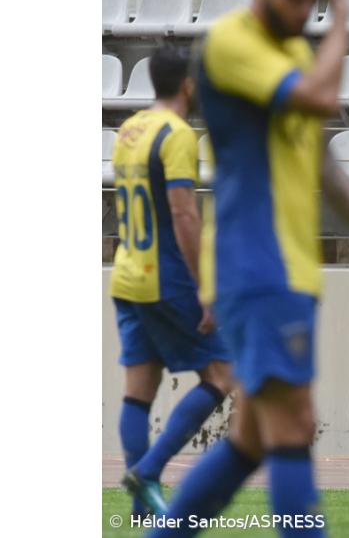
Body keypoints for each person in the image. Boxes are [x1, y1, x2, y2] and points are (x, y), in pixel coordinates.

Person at [150, 0, 349, 536]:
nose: (302, 11)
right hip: (255, 264)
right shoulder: (229, 44)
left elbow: (318, 156)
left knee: (249, 439)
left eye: (311, 0)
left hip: (288, 267)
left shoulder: (292, 51)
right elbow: (322, 97)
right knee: (293, 423)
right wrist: (344, 13)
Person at [113, 47, 234, 517]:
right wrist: (205, 287)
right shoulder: (177, 134)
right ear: (188, 84)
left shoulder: (130, 129)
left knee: (137, 390)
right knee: (222, 375)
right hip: (165, 276)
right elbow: (184, 213)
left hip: (127, 274)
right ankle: (148, 471)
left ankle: (142, 507)